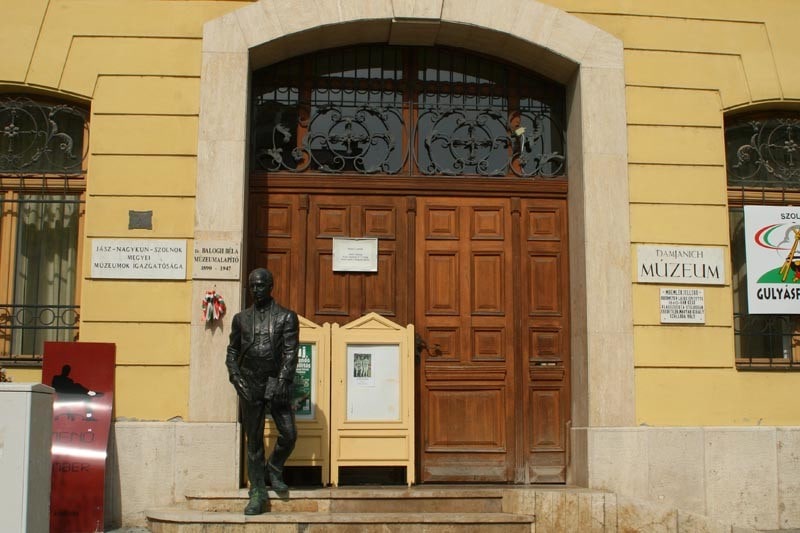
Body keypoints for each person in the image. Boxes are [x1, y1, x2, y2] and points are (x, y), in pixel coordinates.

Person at [225, 268, 299, 515]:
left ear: (270, 287)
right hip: (249, 382)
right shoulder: (240, 319)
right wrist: (236, 377)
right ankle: (257, 492)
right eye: (252, 286)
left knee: (289, 433)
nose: (256, 290)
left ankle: (275, 467)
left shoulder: (286, 318)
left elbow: (290, 352)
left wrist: (282, 380)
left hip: (275, 382)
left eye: (260, 285)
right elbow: (232, 351)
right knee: (254, 441)